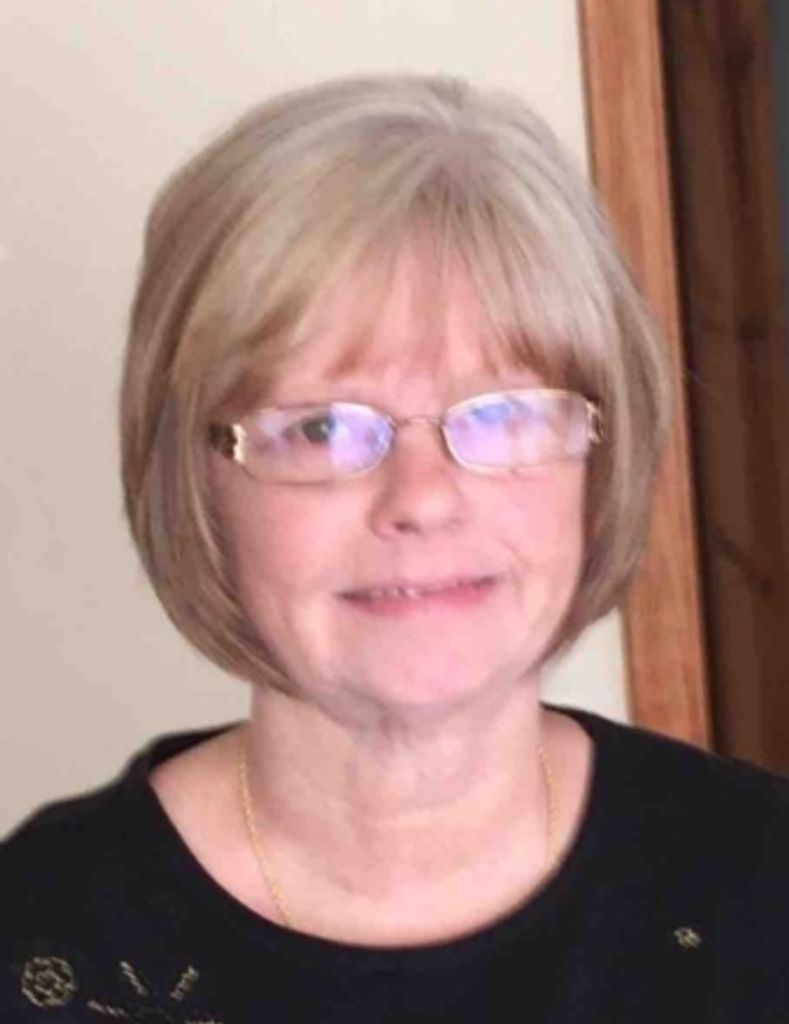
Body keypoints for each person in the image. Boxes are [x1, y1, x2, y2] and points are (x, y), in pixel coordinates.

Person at [2, 74, 788, 1023]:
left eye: (501, 416)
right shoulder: (35, 939)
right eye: (323, 427)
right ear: (194, 480)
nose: (422, 499)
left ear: (600, 458)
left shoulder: (763, 885)